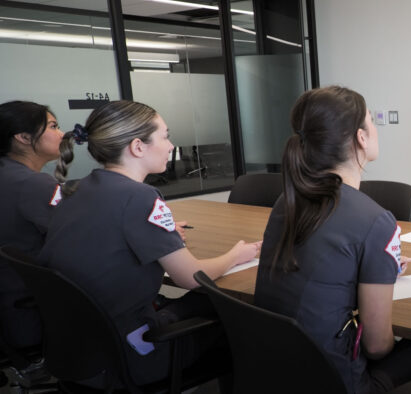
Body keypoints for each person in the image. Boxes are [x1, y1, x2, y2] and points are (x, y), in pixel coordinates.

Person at [254, 86, 411, 394]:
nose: (376, 129)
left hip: (277, 371)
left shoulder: (285, 203)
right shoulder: (377, 221)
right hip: (337, 381)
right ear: (360, 138)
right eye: (371, 121)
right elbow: (377, 347)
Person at [37, 100, 262, 386]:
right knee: (237, 318)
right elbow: (192, 277)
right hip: (132, 351)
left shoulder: (74, 189)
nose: (170, 146)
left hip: (80, 347)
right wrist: (237, 254)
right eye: (165, 136)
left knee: (206, 303)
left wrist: (159, 237)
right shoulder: (141, 197)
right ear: (137, 147)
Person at [0, 101, 63, 350]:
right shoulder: (34, 185)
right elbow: (81, 237)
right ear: (24, 137)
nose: (62, 134)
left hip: (9, 306)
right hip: (32, 310)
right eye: (53, 126)